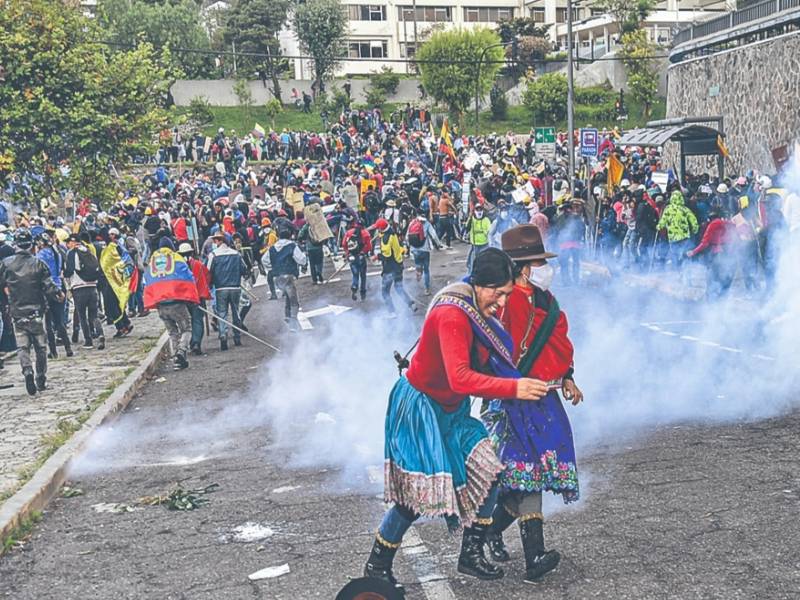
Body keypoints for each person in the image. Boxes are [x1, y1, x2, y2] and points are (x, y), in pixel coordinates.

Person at [361, 248, 551, 590]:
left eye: (507, 294)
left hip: (453, 410)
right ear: (479, 284)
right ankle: (377, 564)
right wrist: (515, 387)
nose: (502, 303)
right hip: (421, 408)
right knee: (415, 497)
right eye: (498, 293)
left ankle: (471, 553)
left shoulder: (478, 308)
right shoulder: (453, 314)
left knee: (490, 469)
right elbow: (461, 378)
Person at [482, 224, 582, 583]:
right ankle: (534, 555)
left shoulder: (546, 301)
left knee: (527, 476)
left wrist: (567, 377)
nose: (544, 267)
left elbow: (557, 342)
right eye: (538, 261)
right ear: (523, 267)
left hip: (543, 398)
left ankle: (489, 532)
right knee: (525, 475)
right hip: (510, 400)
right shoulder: (501, 304)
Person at [0, 229, 64, 395]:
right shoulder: (38, 263)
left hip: (16, 311)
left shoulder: (6, 264)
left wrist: (7, 294)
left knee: (22, 347)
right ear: (31, 245)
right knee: (41, 347)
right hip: (36, 311)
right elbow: (48, 285)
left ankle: (27, 370)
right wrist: (59, 294)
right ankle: (41, 377)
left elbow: (2, 284)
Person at [143, 238, 199, 370]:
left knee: (172, 332)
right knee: (186, 329)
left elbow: (147, 281)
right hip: (176, 302)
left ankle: (177, 361)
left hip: (161, 304)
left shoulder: (152, 262)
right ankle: (181, 351)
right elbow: (188, 277)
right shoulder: (176, 258)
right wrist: (192, 297)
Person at [64, 233, 105, 350]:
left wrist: (64, 275)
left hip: (79, 287)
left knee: (82, 316)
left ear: (73, 242)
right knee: (94, 315)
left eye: (68, 242)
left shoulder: (72, 253)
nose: (67, 244)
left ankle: (88, 340)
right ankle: (101, 334)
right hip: (92, 286)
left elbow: (69, 270)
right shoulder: (87, 250)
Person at [207, 232, 247, 350]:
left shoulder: (213, 255)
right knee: (236, 312)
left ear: (221, 241)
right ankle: (237, 336)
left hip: (220, 288)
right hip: (235, 287)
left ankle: (223, 335)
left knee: (222, 313)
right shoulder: (236, 254)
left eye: (217, 240)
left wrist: (210, 285)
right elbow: (244, 269)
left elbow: (208, 272)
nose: (215, 242)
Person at [35, 232, 73, 359]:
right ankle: (68, 347)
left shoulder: (40, 255)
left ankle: (53, 351)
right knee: (59, 320)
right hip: (59, 285)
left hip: (47, 289)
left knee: (48, 322)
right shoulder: (57, 253)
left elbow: (39, 273)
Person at [262, 227, 307, 331]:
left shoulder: (272, 248)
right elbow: (301, 259)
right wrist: (303, 262)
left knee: (287, 295)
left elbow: (264, 259)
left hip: (277, 277)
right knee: (293, 299)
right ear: (289, 236)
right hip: (289, 276)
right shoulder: (292, 246)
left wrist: (272, 268)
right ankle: (293, 322)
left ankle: (287, 314)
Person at [374, 218, 416, 316]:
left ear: (381, 229)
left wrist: (377, 256)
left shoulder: (386, 238)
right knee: (399, 288)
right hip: (399, 266)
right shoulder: (392, 233)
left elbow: (387, 256)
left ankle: (392, 312)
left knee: (385, 292)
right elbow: (397, 248)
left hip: (390, 269)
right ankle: (411, 304)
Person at [178, 242, 211, 355]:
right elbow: (207, 277)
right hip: (197, 298)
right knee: (197, 321)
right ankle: (196, 343)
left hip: (184, 299)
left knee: (186, 323)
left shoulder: (177, 267)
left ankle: (188, 344)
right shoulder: (198, 264)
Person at [657, 190, 699, 270]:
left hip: (672, 237)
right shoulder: (684, 209)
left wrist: (659, 226)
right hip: (684, 236)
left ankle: (677, 269)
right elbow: (693, 220)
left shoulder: (667, 209)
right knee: (685, 253)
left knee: (675, 254)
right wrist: (695, 229)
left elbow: (663, 220)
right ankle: (685, 268)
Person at [406, 212, 442, 296]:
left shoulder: (412, 223)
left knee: (418, 264)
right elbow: (434, 235)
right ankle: (426, 288)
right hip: (425, 250)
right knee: (426, 270)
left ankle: (418, 271)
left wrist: (409, 247)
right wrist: (438, 244)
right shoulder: (427, 224)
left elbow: (407, 237)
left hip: (415, 250)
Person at [342, 217, 372, 301]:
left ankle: (354, 286)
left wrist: (347, 253)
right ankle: (363, 293)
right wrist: (364, 251)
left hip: (352, 256)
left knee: (355, 274)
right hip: (361, 257)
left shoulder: (349, 232)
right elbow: (369, 247)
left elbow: (344, 244)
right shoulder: (366, 233)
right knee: (363, 276)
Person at [465, 204, 491, 273]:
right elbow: (467, 228)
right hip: (475, 245)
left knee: (484, 261)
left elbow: (489, 230)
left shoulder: (486, 220)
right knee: (472, 262)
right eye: (477, 210)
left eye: (480, 210)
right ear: (475, 211)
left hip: (484, 245)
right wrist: (470, 218)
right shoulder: (472, 219)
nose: (479, 211)